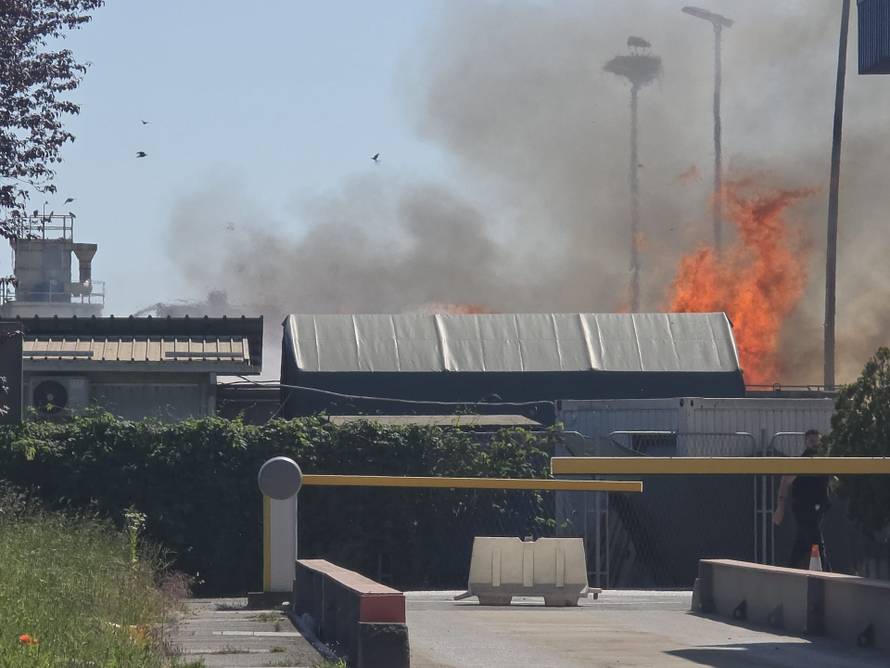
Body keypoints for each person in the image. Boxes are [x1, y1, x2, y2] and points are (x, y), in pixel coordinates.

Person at [773, 429, 832, 570]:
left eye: (818, 442)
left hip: (818, 508)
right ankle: (828, 573)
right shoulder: (802, 462)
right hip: (803, 508)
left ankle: (790, 569)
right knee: (816, 542)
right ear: (806, 443)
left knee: (802, 543)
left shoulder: (824, 461)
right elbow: (785, 482)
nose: (815, 444)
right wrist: (780, 508)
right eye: (812, 441)